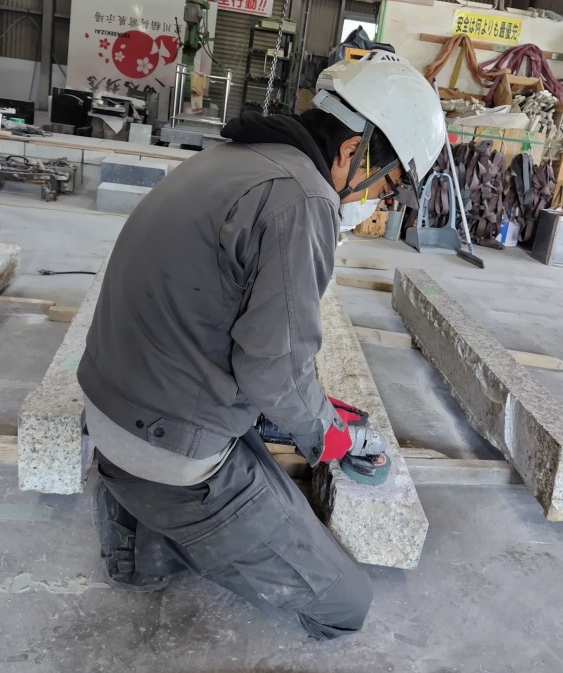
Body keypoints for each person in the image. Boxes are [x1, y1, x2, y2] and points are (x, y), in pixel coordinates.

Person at [78, 51, 445, 641]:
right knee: (345, 604)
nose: (378, 201)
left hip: (108, 406)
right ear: (354, 152)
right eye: (390, 183)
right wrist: (329, 435)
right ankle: (172, 526)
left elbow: (244, 332)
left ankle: (141, 531)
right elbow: (272, 371)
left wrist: (309, 412)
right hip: (168, 450)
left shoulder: (236, 157)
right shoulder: (305, 201)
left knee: (277, 437)